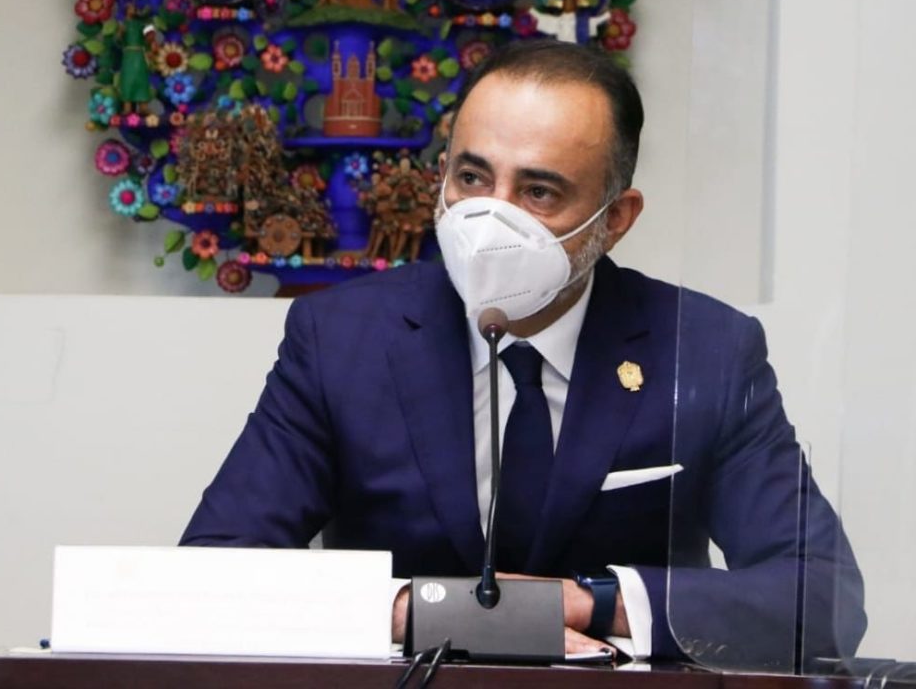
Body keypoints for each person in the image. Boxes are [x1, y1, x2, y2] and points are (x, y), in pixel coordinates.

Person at [181, 40, 866, 666]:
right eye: (472, 179)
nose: (492, 218)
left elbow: (821, 598)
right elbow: (210, 571)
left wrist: (585, 602)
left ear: (616, 219)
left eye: (539, 192)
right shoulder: (341, 338)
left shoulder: (708, 349)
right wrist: (415, 610)